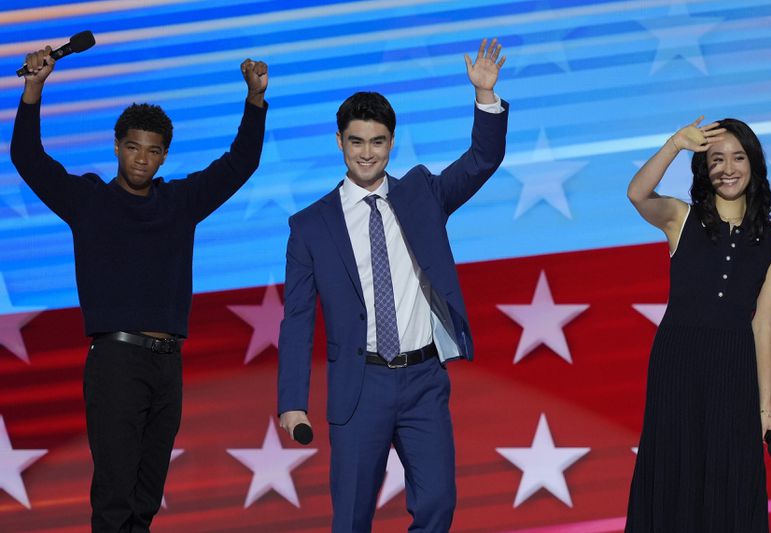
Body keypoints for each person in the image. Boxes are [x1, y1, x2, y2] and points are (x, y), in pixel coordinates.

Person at [10, 46, 268, 532]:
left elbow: (240, 164)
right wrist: (33, 89)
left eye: (153, 150)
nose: (142, 158)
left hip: (168, 363)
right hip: (116, 363)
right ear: (116, 146)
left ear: (164, 154)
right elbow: (29, 158)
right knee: (115, 498)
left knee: (146, 499)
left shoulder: (180, 202)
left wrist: (255, 101)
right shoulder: (88, 201)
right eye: (133, 146)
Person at [277, 38, 507, 532]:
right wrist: (292, 401)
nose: (367, 153)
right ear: (339, 142)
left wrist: (485, 98)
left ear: (392, 142)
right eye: (356, 141)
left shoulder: (423, 192)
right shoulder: (309, 226)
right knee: (354, 518)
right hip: (361, 386)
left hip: (424, 380)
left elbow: (482, 160)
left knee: (438, 504)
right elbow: (296, 320)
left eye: (377, 141)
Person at [625, 116, 771, 532]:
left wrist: (765, 408)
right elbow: (638, 193)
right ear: (704, 167)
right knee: (673, 477)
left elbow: (763, 327)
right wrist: (674, 143)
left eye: (738, 158)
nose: (728, 168)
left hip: (733, 371)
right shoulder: (681, 218)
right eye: (717, 159)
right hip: (677, 365)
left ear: (753, 164)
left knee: (728, 485)